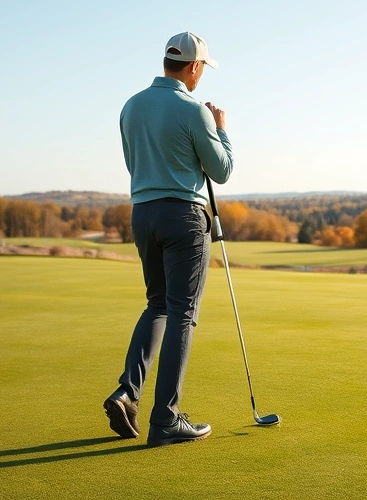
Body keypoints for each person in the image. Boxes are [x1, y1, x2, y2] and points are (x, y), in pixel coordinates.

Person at [104, 31, 233, 447]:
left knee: (157, 304)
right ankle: (166, 420)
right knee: (183, 312)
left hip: (143, 214)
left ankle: (128, 392)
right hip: (184, 217)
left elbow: (133, 162)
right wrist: (221, 129)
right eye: (202, 69)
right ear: (194, 67)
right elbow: (221, 170)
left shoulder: (131, 106)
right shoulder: (194, 110)